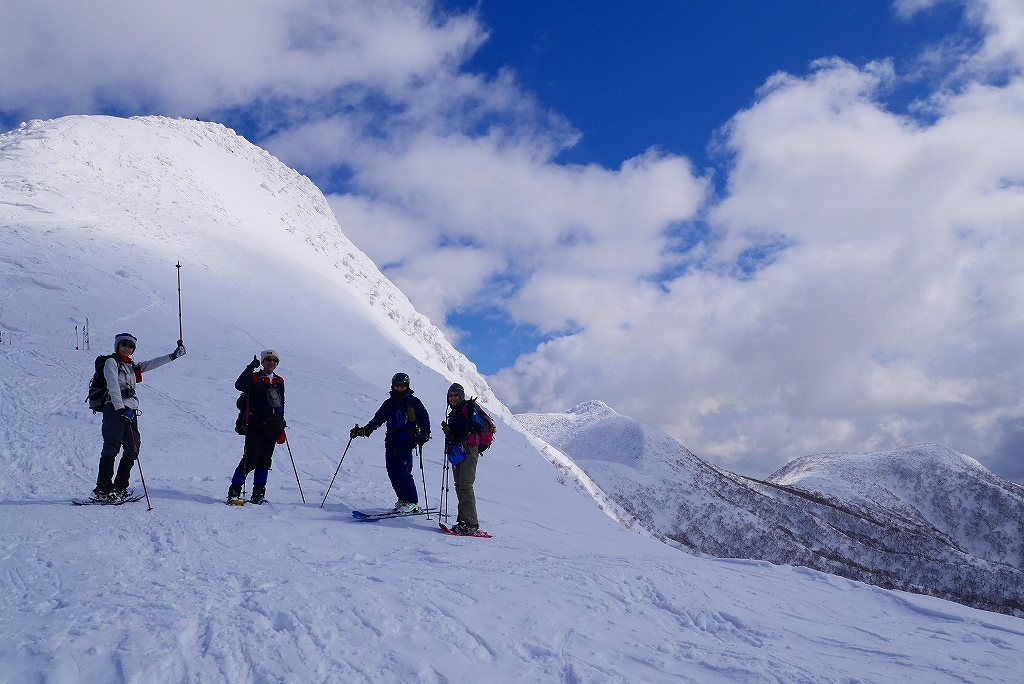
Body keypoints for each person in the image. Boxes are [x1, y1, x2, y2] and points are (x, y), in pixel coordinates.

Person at [93, 333, 186, 502]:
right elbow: (113, 386)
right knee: (111, 446)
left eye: (130, 346)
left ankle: (120, 487)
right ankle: (103, 489)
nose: (127, 348)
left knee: (132, 448)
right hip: (115, 409)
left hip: (130, 410)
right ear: (117, 345)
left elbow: (151, 364)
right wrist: (120, 408)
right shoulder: (111, 363)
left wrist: (173, 356)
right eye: (124, 344)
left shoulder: (130, 366)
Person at [350, 372, 430, 513]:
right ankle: (402, 499)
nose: (399, 387)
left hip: (406, 442)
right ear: (392, 385)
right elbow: (377, 419)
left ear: (407, 386)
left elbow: (424, 418)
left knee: (403, 472)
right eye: (397, 385)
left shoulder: (414, 402)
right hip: (391, 442)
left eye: (403, 385)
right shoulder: (388, 404)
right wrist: (364, 431)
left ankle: (412, 502)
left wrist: (425, 434)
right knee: (392, 472)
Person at [228, 350, 286, 504]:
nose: (272, 362)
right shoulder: (254, 378)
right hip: (255, 424)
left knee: (265, 460)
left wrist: (281, 422)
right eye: (268, 359)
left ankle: (258, 494)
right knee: (250, 460)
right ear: (263, 361)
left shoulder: (279, 380)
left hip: (272, 425)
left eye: (275, 360)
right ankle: (234, 492)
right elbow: (238, 385)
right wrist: (249, 368)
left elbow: (281, 402)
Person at [440, 383, 482, 535]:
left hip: (469, 450)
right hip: (459, 451)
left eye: (456, 395)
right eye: (451, 395)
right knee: (459, 485)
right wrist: (448, 431)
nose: (453, 398)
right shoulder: (455, 413)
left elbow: (477, 428)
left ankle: (471, 524)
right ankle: (464, 520)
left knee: (465, 484)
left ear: (461, 396)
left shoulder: (467, 409)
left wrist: (471, 413)